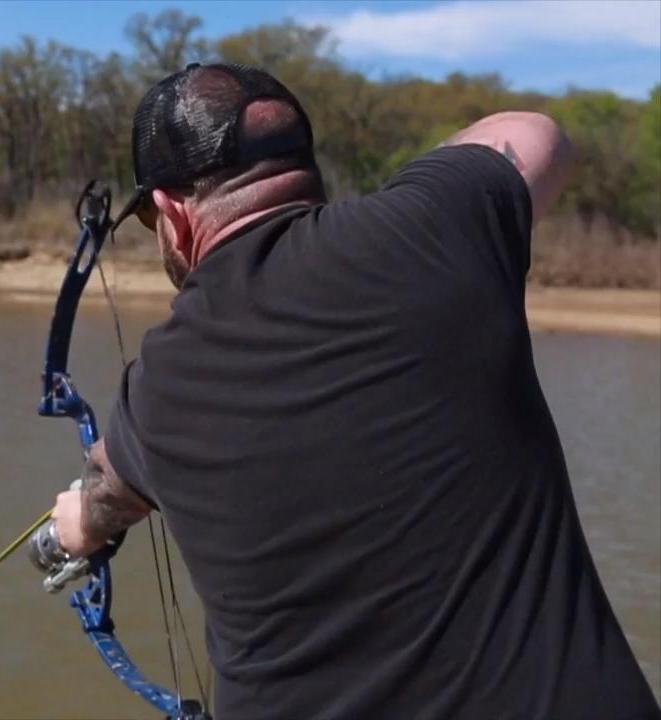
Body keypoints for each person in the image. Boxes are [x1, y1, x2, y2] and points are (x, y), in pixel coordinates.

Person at [49, 63, 661, 720]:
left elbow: (105, 494)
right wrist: (412, 199)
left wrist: (73, 529)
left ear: (171, 212)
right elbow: (535, 132)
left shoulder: (157, 389)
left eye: (147, 222)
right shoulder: (437, 227)